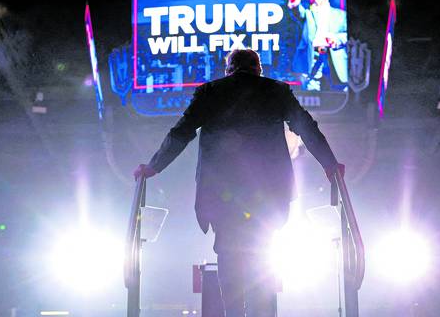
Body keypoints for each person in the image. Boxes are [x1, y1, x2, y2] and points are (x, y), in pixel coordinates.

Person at [133, 49, 344, 317]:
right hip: (266, 190)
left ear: (228, 68)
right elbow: (306, 126)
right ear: (258, 68)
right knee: (264, 250)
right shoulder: (276, 90)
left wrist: (154, 166)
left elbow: (182, 132)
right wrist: (329, 163)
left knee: (228, 255)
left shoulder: (210, 91)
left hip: (223, 190)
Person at [286, 0, 348, 92]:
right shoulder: (308, 13)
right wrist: (295, 3)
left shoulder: (341, 15)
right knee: (311, 94)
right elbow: (299, 13)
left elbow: (348, 35)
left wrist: (336, 39)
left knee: (339, 93)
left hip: (334, 59)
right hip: (312, 58)